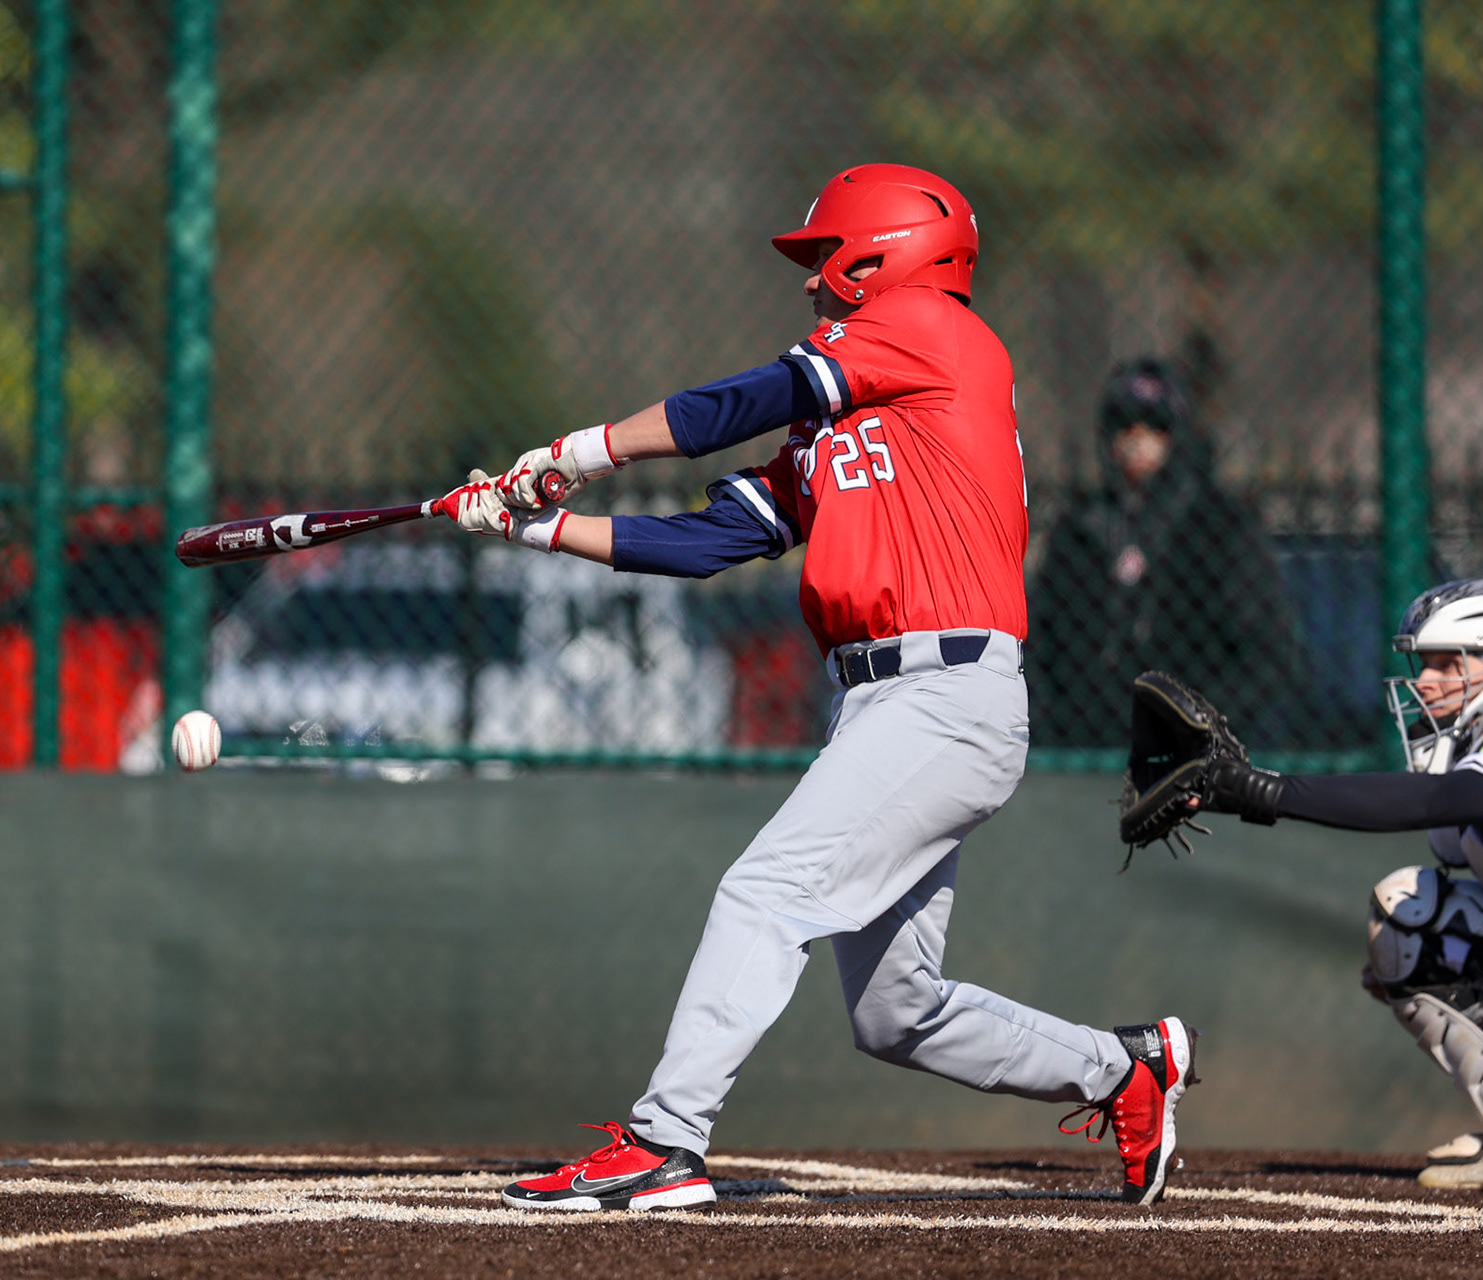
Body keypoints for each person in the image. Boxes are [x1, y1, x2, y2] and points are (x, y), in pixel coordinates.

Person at [432, 164, 1196, 1210]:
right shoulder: (854, 411)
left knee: (766, 890)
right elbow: (718, 538)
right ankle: (1124, 1069)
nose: (810, 283)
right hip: (885, 703)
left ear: (884, 253)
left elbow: (741, 400)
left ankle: (664, 1138)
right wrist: (539, 525)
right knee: (896, 1012)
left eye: (824, 256)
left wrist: (585, 449)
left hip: (945, 687)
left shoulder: (930, 328)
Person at [1154, 575, 1483, 1189]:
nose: (1424, 683)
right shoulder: (1480, 752)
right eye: (1423, 666)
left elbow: (1435, 798)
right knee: (1409, 921)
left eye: (1447, 664)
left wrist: (1261, 791)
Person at [1027, 358, 1294, 746]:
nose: (1137, 438)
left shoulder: (1220, 527)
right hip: (1086, 742)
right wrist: (1054, 723)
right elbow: (1040, 640)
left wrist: (1201, 726)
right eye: (1124, 425)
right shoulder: (1080, 529)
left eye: (1155, 426)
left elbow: (1268, 653)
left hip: (1193, 750)